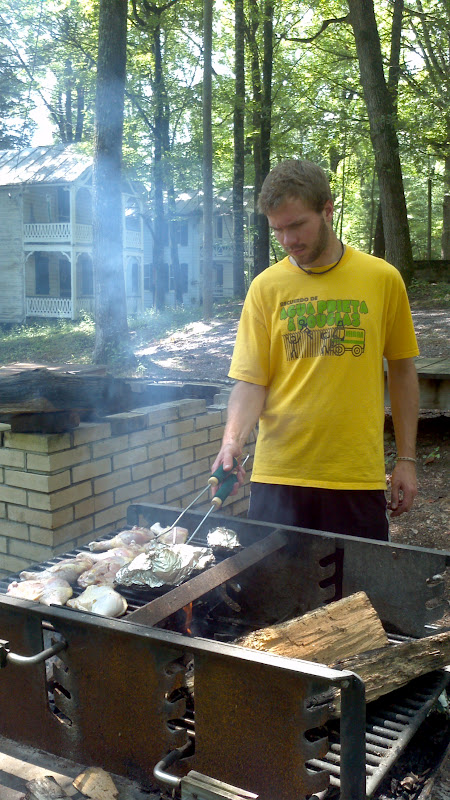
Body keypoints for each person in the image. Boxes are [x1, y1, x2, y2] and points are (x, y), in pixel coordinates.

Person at [212, 159, 419, 540]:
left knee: (356, 580)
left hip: (354, 477)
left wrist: (406, 459)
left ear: (327, 210)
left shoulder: (382, 279)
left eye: (296, 225)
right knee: (272, 579)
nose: (287, 240)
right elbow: (251, 380)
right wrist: (232, 441)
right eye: (277, 229)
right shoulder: (266, 287)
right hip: (279, 477)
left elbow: (403, 372)